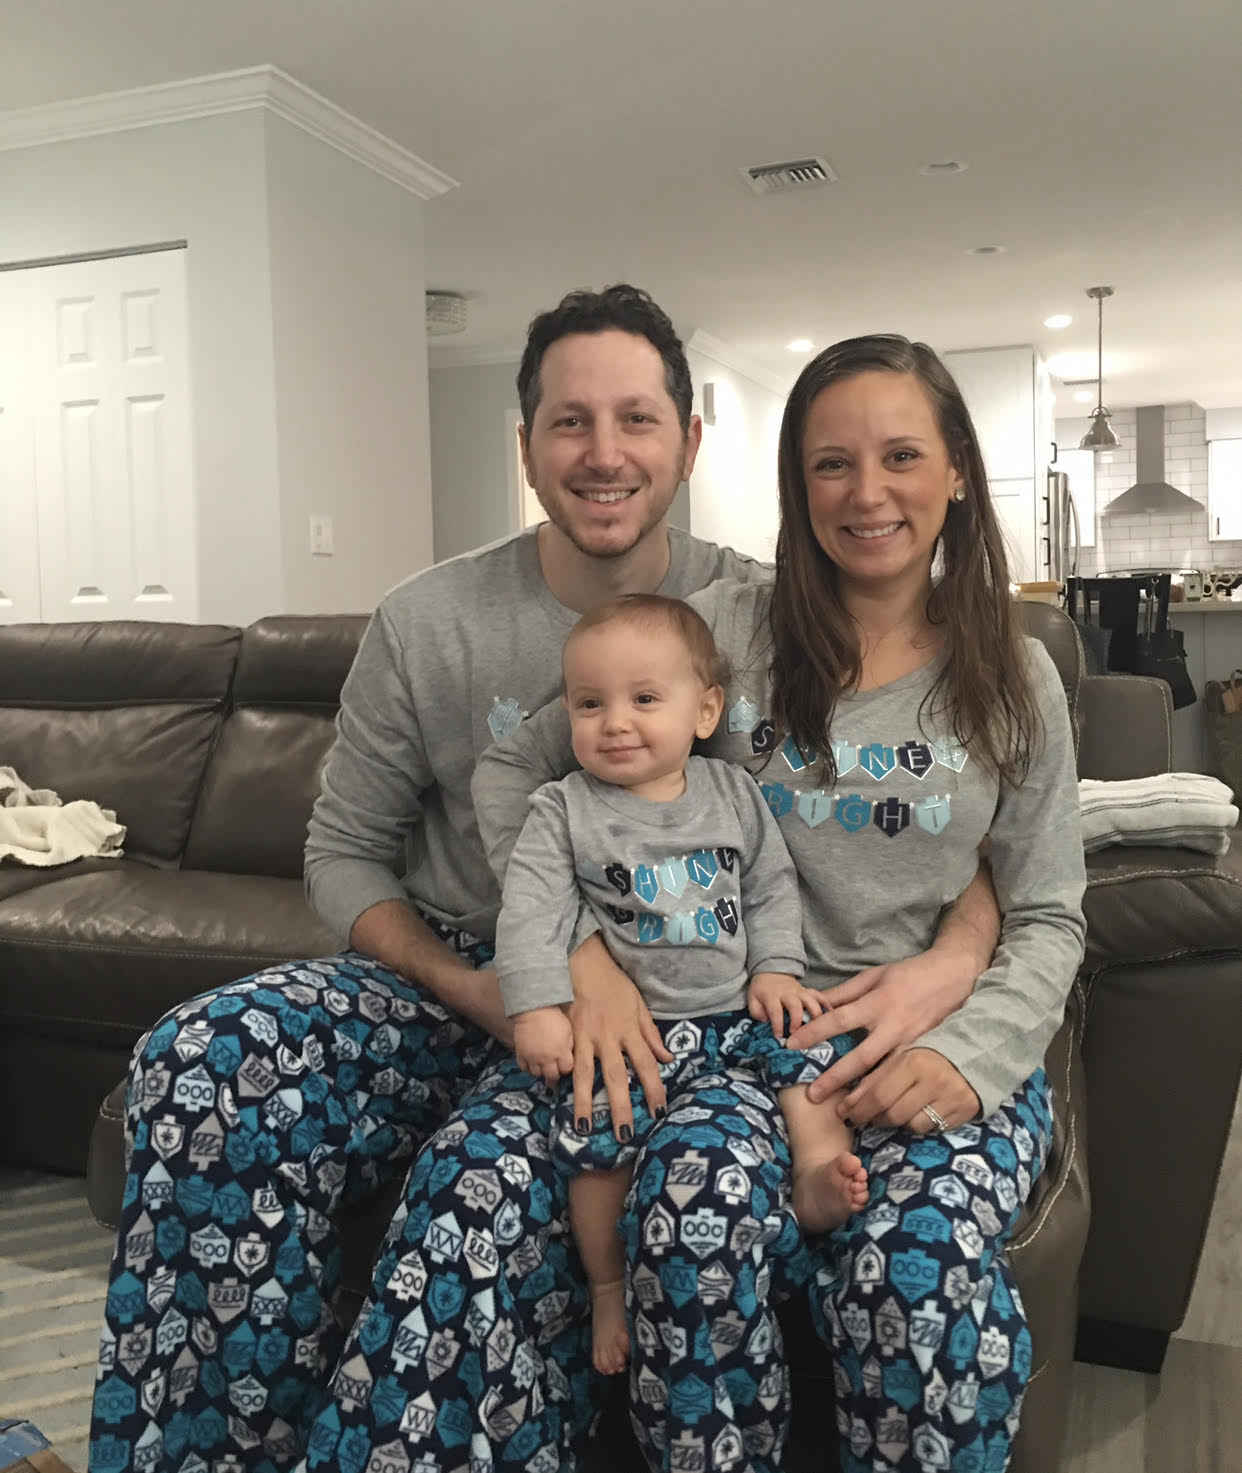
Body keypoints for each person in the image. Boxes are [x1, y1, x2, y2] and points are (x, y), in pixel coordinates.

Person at [88, 284, 997, 1473]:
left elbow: (918, 822)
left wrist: (961, 945)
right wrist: (522, 982)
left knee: (488, 1214)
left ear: (689, 443)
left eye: (637, 420)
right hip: (457, 979)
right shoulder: (427, 621)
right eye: (570, 422)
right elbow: (341, 854)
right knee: (202, 1060)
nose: (604, 453)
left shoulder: (755, 613)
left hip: (675, 1016)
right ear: (524, 446)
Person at [470, 334, 1087, 1472]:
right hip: (745, 1039)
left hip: (937, 1046)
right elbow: (524, 775)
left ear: (957, 469)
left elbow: (1049, 908)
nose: (866, 493)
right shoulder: (731, 631)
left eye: (901, 454)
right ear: (797, 489)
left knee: (921, 1262)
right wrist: (582, 954)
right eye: (830, 465)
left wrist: (971, 1038)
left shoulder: (1016, 673)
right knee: (688, 1222)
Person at [495, 593, 868, 1375]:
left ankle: (813, 1176)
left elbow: (770, 886)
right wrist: (534, 1006)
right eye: (589, 704)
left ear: (705, 712)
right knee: (597, 1150)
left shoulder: (732, 793)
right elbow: (529, 911)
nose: (615, 722)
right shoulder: (561, 810)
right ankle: (605, 1288)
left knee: (809, 1056)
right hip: (636, 1036)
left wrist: (776, 969)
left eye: (643, 699)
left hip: (734, 1012)